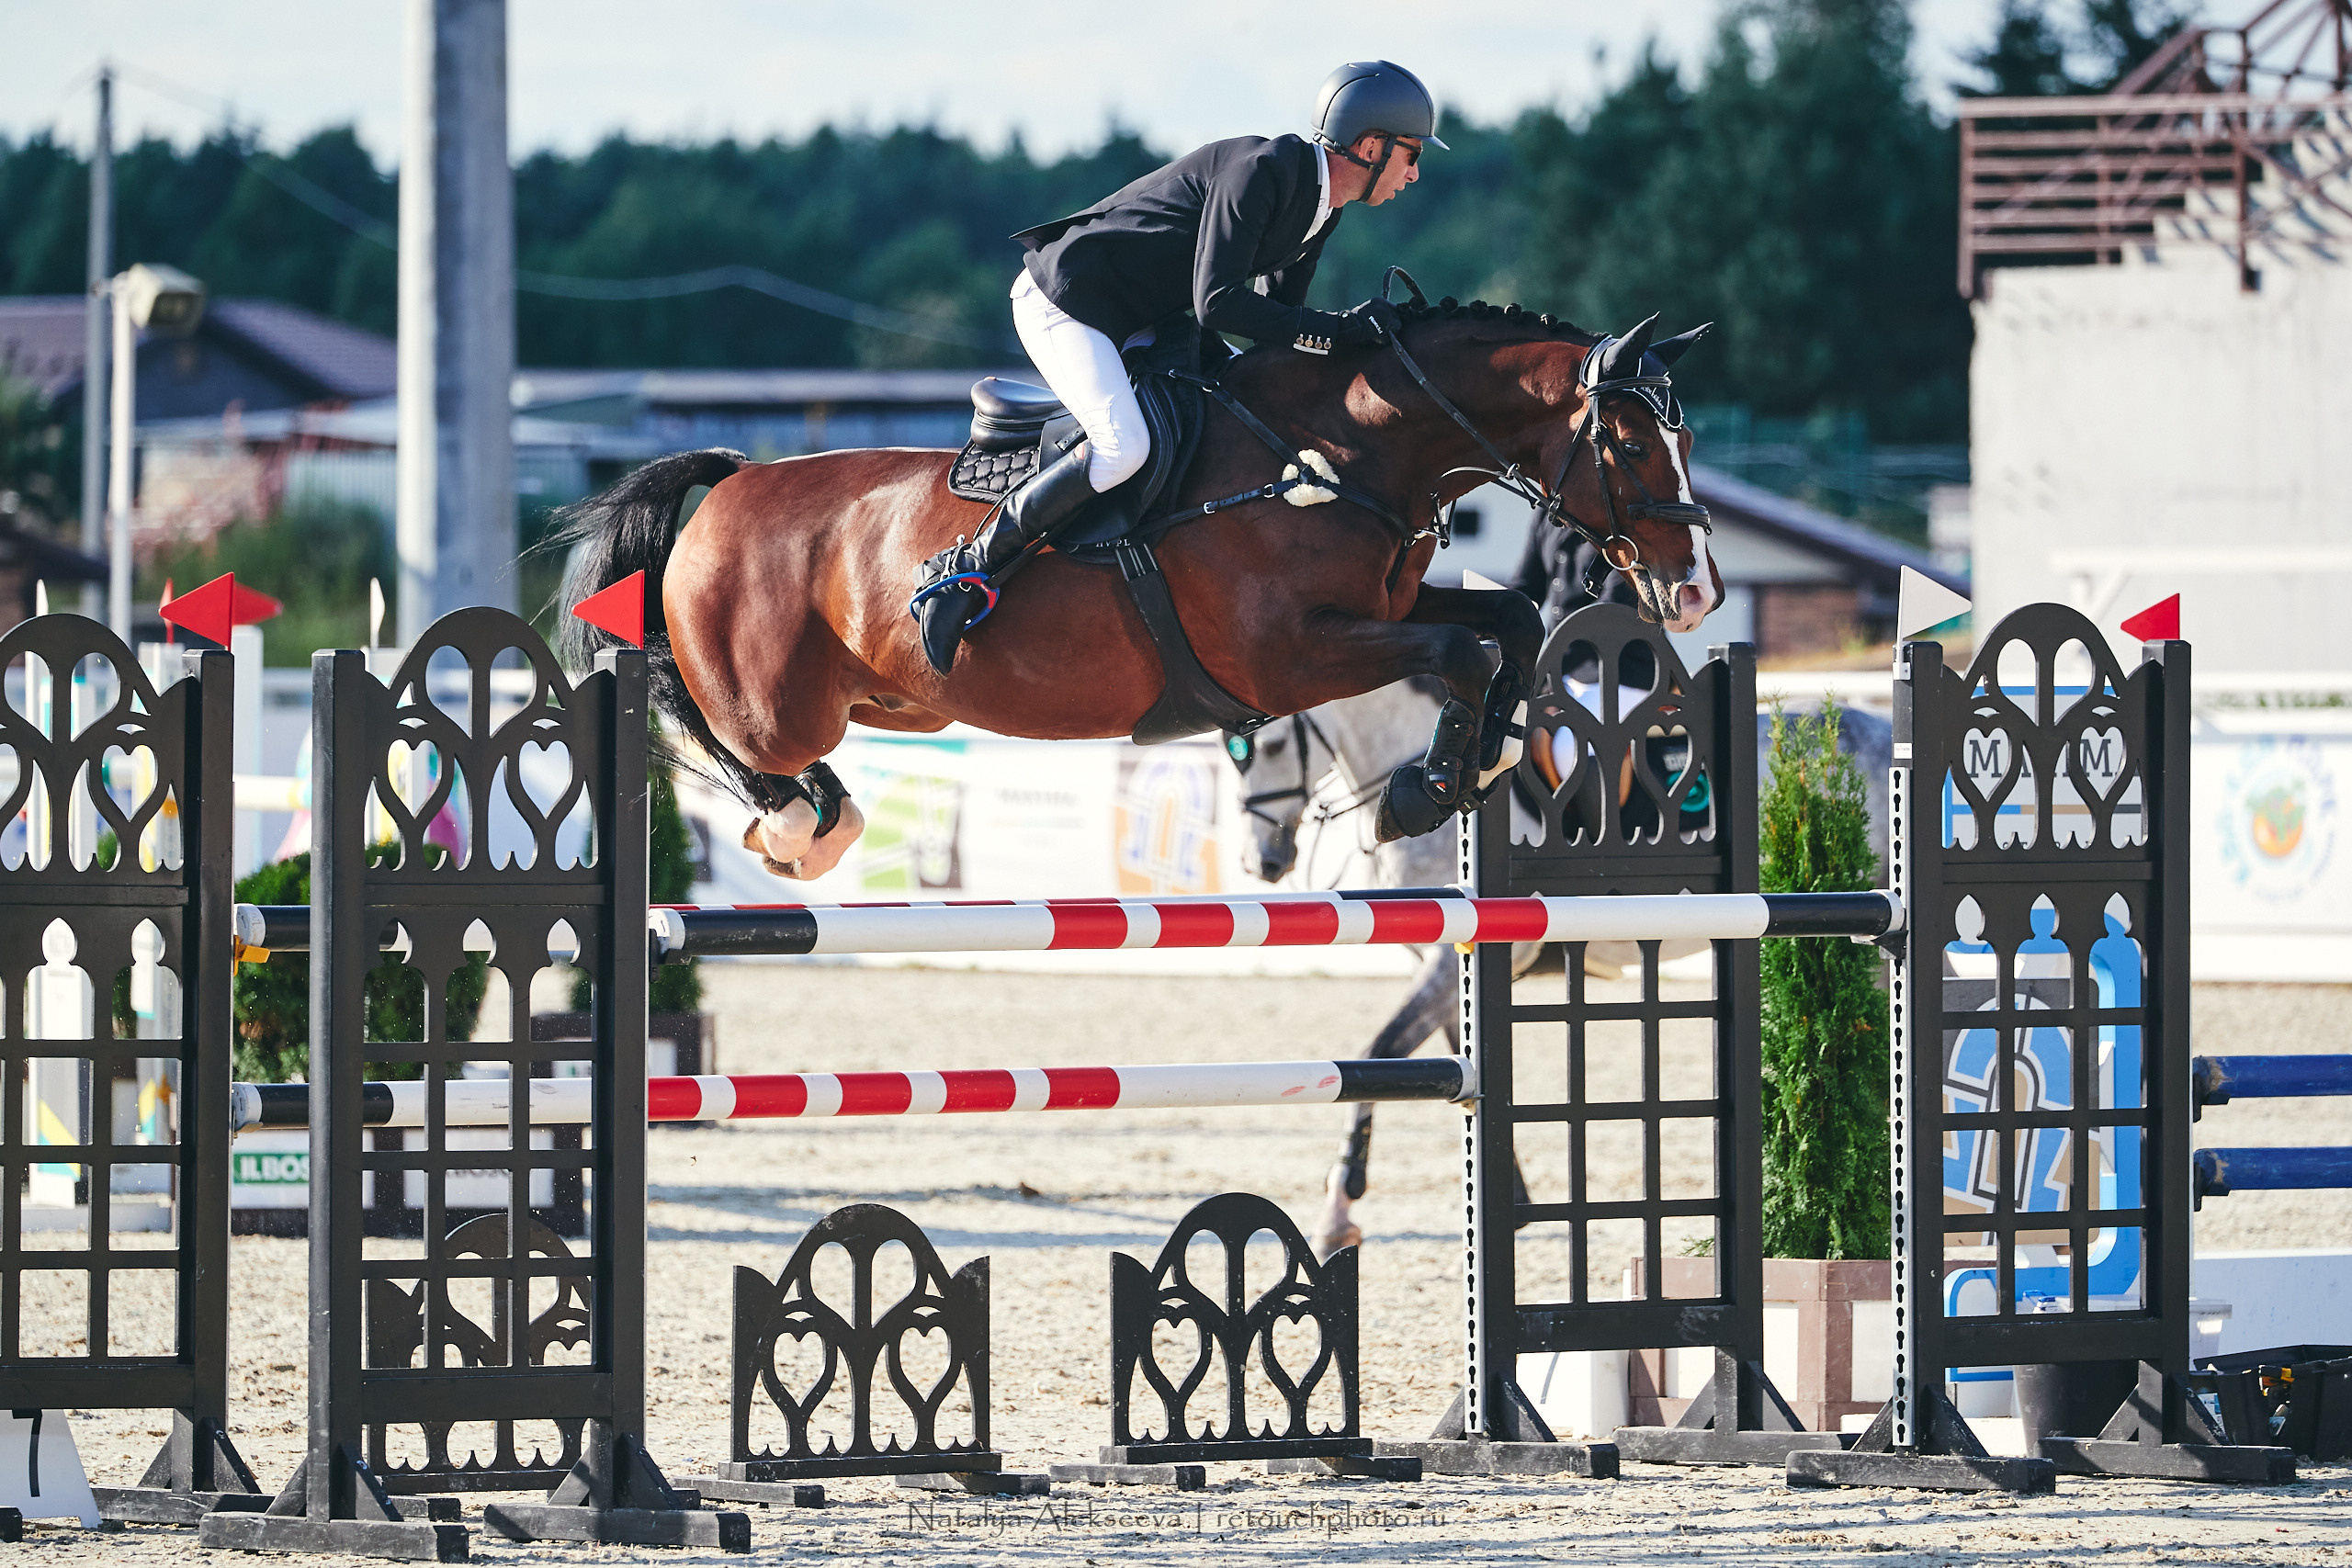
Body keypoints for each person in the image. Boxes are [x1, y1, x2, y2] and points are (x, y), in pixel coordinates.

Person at [910, 60, 1446, 675]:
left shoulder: (1322, 205)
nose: (1415, 171)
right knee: (1123, 447)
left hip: (1151, 318)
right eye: (1411, 153)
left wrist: (1357, 345)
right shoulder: (1264, 172)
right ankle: (964, 571)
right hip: (1069, 303)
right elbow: (1218, 302)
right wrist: (1342, 328)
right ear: (1371, 146)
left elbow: (1277, 320)